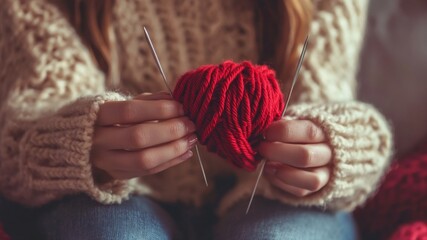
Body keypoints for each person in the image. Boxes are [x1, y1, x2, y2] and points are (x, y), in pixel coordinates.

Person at [0, 0, 392, 239]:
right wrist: (76, 143)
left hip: (277, 197)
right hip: (115, 197)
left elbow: (330, 102)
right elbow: (19, 138)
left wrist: (333, 149)